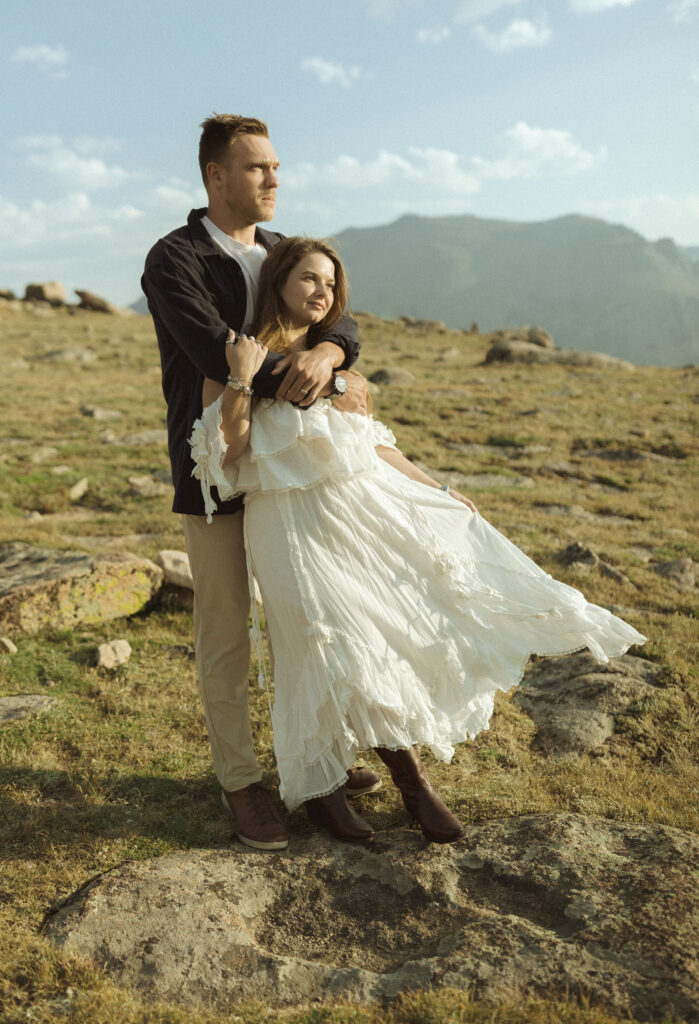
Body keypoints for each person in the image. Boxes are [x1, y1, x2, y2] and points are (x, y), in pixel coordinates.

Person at [190, 236, 647, 844]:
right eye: (309, 280)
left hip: (353, 517)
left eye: (330, 284)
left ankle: (412, 784)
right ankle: (323, 790)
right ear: (277, 283)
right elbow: (230, 455)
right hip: (286, 526)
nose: (322, 293)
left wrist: (441, 488)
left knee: (370, 642)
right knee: (317, 647)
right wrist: (243, 381)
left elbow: (377, 447)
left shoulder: (344, 376)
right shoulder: (234, 356)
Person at [142, 115, 379, 853]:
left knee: (304, 620)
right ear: (215, 176)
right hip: (216, 468)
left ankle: (315, 761)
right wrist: (319, 380)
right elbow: (213, 348)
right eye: (256, 169)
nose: (274, 180)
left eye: (275, 167)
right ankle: (242, 782)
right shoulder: (173, 258)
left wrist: (335, 351)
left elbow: (336, 315)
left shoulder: (282, 250)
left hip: (289, 477)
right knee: (224, 632)